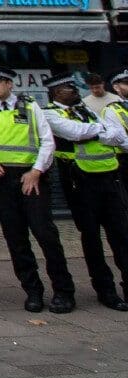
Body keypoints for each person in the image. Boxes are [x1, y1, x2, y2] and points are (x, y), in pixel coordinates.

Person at [0, 65, 72, 314]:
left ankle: (63, 291)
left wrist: (37, 171)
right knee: (16, 238)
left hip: (31, 177)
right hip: (2, 179)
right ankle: (33, 291)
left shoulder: (30, 107)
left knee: (45, 234)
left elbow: (47, 142)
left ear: (10, 84)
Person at [45, 71, 128, 312]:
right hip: (79, 182)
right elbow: (73, 133)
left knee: (121, 235)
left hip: (109, 177)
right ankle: (106, 290)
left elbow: (120, 137)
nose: (75, 90)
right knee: (91, 238)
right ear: (56, 91)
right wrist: (99, 132)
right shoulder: (50, 113)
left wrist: (94, 132)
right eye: (70, 87)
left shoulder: (87, 110)